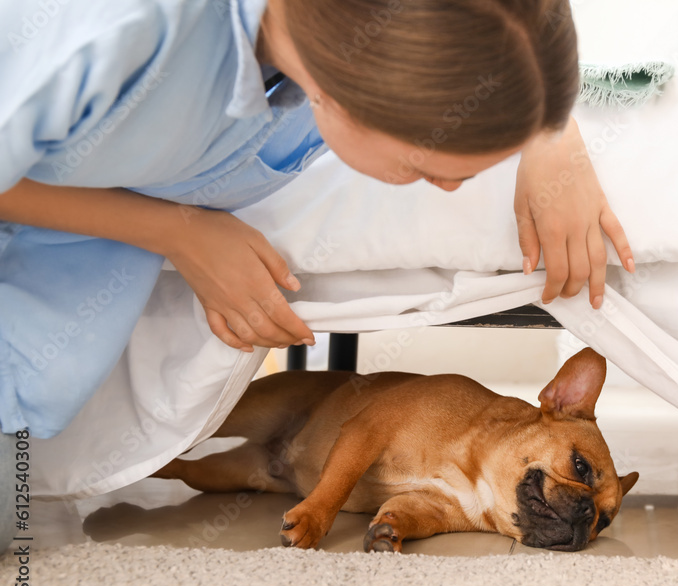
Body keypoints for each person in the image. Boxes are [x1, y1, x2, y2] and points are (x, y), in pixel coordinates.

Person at [0, 0, 633, 548]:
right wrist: (176, 231)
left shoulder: (320, 61)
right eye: (426, 165)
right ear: (354, 89)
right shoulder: (122, 34)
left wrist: (552, 133)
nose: (446, 187)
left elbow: (503, 29)